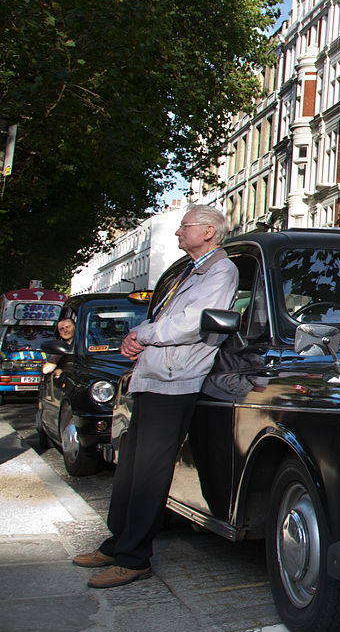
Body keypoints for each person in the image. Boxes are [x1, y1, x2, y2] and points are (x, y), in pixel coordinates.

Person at [73, 205, 238, 589]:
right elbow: (165, 316)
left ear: (209, 231)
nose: (178, 233)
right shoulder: (189, 271)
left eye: (185, 227)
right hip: (153, 375)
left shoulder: (220, 270)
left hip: (175, 378)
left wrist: (143, 336)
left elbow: (192, 322)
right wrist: (137, 335)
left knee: (150, 470)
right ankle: (117, 542)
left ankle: (134, 558)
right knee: (130, 466)